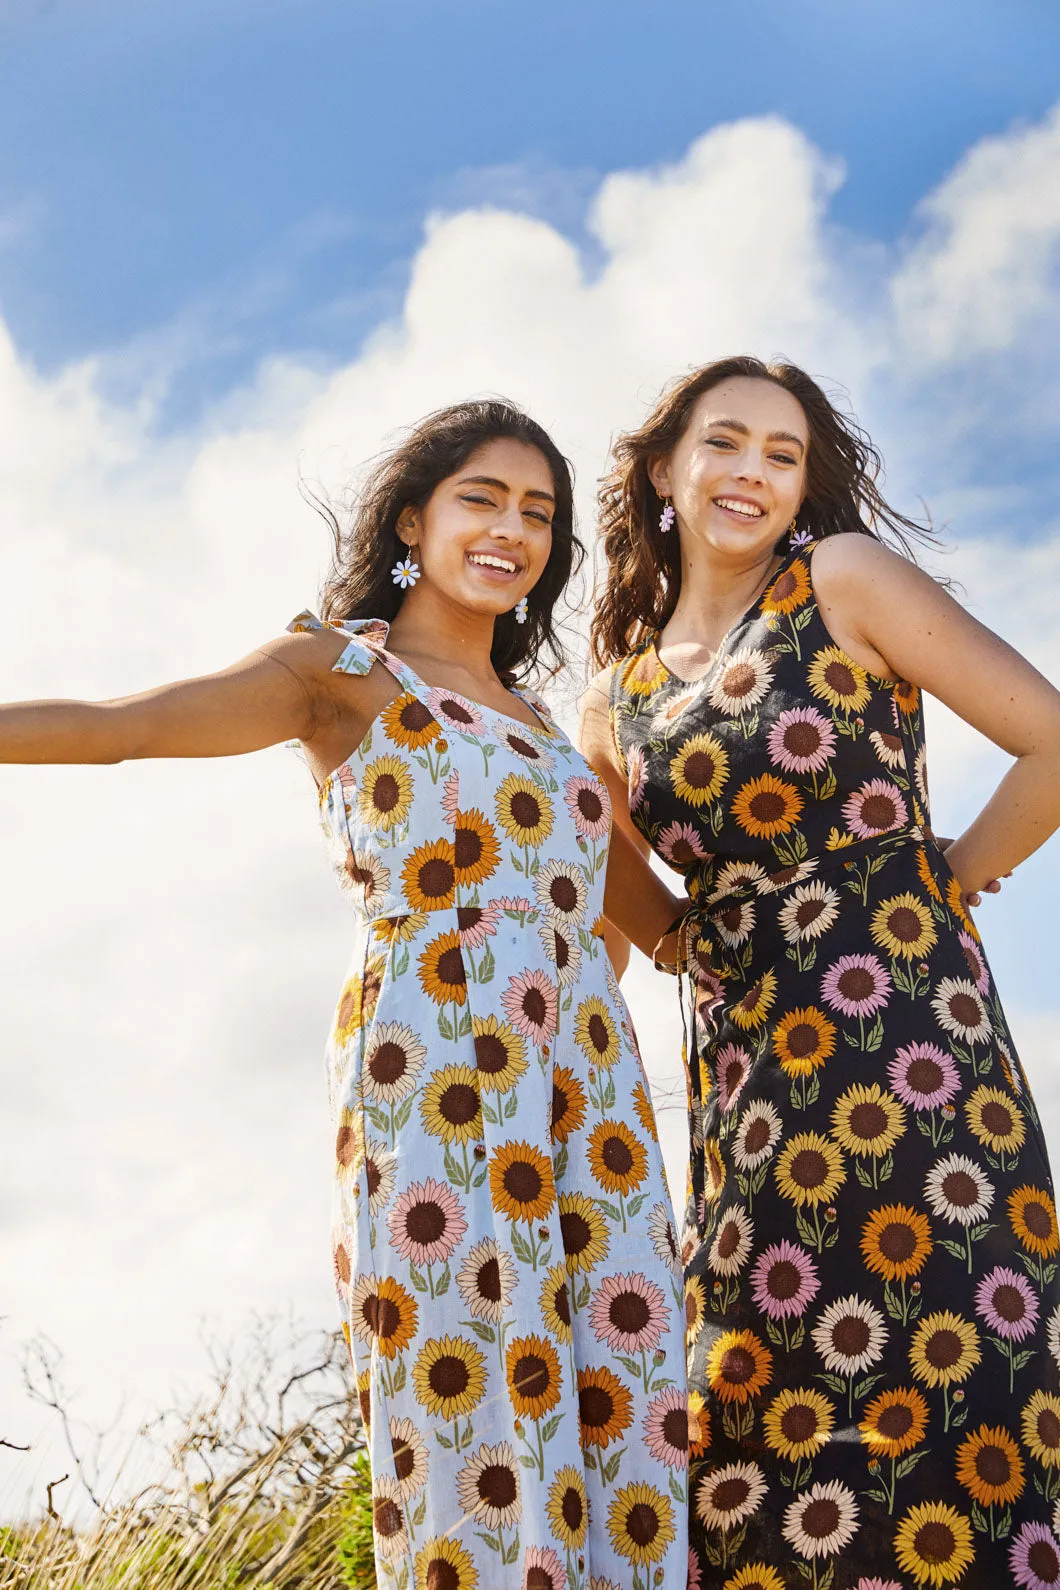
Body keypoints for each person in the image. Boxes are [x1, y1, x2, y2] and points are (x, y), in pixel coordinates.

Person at [1, 400, 689, 1589]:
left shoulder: (555, 733)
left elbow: (664, 933)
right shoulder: (338, 671)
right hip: (435, 1065)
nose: (510, 530)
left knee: (622, 1383)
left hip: (586, 1089)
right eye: (482, 498)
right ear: (414, 519)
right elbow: (127, 729)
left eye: (539, 514)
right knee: (469, 1375)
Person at [580, 357, 1060, 1588]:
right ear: (661, 471)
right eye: (725, 442)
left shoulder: (838, 579)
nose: (750, 471)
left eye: (781, 454)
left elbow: (1050, 734)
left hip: (920, 1070)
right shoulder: (610, 708)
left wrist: (945, 876)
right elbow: (637, 925)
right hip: (750, 1108)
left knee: (955, 1407)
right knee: (757, 1425)